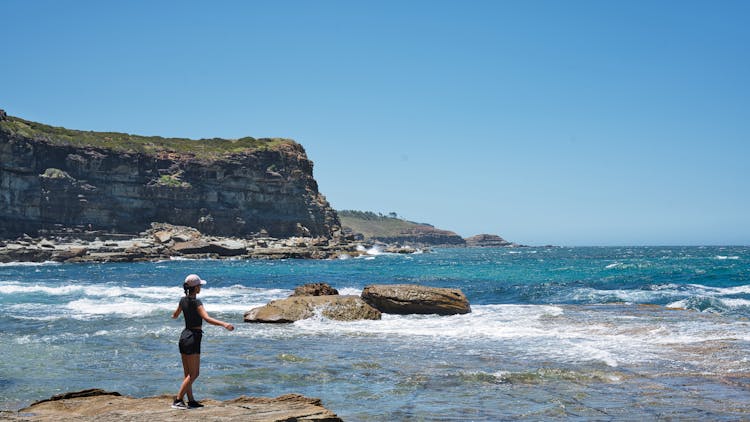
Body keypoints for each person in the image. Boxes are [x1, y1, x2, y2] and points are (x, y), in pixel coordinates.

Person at [171, 274, 234, 409]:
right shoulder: (197, 302)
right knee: (194, 374)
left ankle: (191, 400)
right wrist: (224, 324)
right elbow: (207, 318)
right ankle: (177, 400)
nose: (201, 288)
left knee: (187, 373)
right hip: (193, 337)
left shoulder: (183, 300)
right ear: (196, 288)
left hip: (184, 336)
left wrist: (176, 315)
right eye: (200, 286)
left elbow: (175, 315)